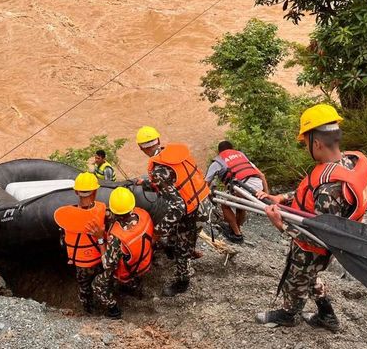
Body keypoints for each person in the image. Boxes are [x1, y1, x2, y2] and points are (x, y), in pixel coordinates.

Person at [254, 104, 367, 333]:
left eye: (305, 143)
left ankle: (288, 315)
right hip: (328, 243)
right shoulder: (347, 162)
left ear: (316, 143)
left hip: (313, 247)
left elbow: (319, 236)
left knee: (297, 278)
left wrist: (281, 225)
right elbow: (313, 191)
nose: (305, 147)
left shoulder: (331, 188)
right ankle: (327, 316)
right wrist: (282, 198)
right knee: (310, 276)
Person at [134, 126, 212, 296]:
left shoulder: (157, 170)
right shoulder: (175, 154)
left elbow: (178, 206)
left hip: (193, 211)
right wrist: (146, 183)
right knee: (179, 237)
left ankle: (182, 281)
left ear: (141, 148)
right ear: (159, 141)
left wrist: (157, 232)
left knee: (181, 247)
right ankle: (182, 248)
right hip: (204, 201)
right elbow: (175, 180)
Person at [88, 187, 154, 319]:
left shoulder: (117, 238)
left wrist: (101, 239)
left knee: (97, 284)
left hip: (128, 270)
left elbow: (107, 264)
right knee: (128, 258)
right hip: (144, 263)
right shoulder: (143, 214)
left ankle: (114, 310)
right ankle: (132, 286)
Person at [54, 172, 106, 314]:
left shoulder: (66, 216)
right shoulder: (102, 209)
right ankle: (107, 304)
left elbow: (62, 240)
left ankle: (89, 312)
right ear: (95, 192)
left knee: (85, 288)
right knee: (104, 283)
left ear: (76, 191)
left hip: (81, 262)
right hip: (100, 259)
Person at [205, 140, 269, 243]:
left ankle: (236, 234)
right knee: (240, 205)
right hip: (258, 185)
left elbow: (206, 182)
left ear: (219, 152)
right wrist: (267, 195)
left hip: (242, 187)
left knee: (224, 205)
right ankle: (237, 228)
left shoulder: (218, 161)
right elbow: (262, 175)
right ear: (232, 148)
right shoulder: (241, 156)